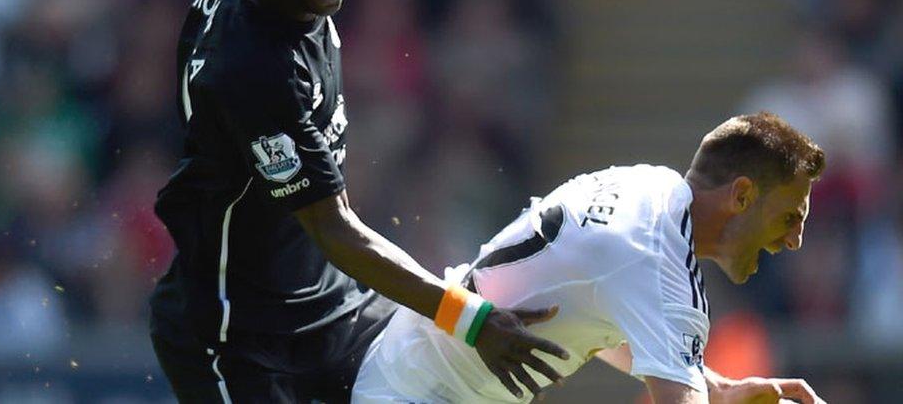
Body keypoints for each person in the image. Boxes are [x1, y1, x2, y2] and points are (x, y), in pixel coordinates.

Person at [147, 0, 568, 403]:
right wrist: (472, 320)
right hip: (238, 333)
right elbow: (336, 229)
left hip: (328, 301)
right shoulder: (256, 72)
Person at [353, 112, 829, 404]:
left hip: (405, 367)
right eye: (789, 217)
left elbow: (606, 312)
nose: (795, 241)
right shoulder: (662, 269)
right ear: (742, 195)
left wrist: (716, 388)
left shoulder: (650, 187)